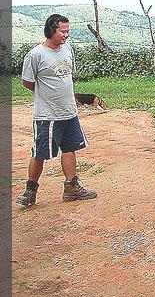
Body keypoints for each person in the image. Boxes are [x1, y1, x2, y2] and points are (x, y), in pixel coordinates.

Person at [15, 14, 98, 207]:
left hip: (69, 112)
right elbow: (27, 82)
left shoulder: (67, 50)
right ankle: (30, 191)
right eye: (63, 31)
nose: (66, 35)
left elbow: (67, 77)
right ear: (51, 30)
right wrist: (47, 94)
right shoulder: (36, 55)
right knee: (40, 153)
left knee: (70, 148)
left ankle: (71, 187)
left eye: (68, 31)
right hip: (47, 115)